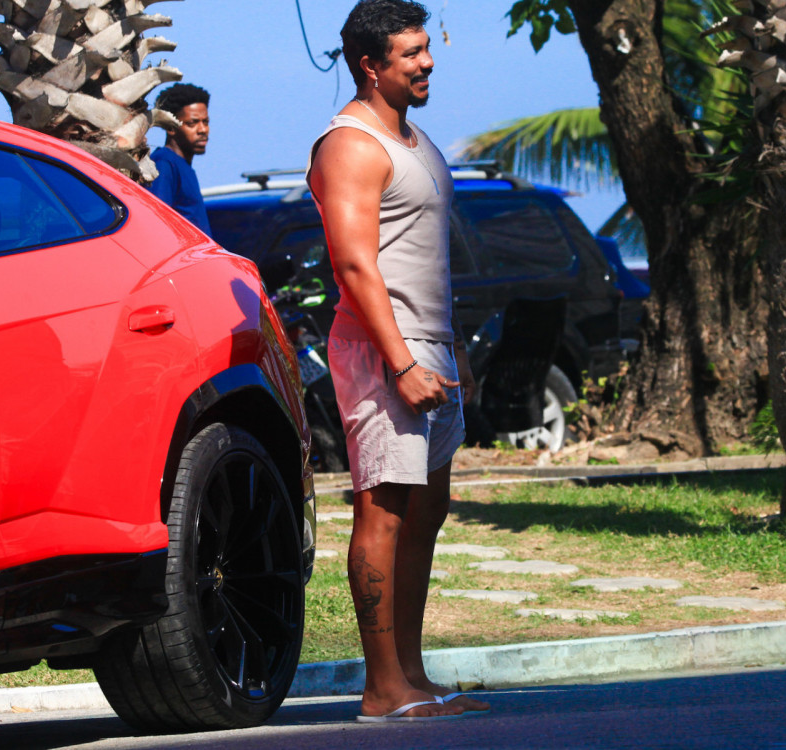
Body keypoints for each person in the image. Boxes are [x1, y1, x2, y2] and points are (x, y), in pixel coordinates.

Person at [306, 0, 490, 723]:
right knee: (381, 513)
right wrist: (401, 360)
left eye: (426, 49)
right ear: (370, 65)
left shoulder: (413, 138)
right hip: (382, 354)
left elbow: (424, 257)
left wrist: (452, 349)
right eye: (410, 53)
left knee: (426, 513)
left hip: (430, 349)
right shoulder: (349, 145)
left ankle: (412, 678)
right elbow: (354, 266)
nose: (427, 62)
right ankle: (381, 689)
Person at [147, 83, 211, 234]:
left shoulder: (182, 166)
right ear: (171, 128)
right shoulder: (164, 164)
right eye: (192, 123)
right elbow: (156, 225)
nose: (202, 130)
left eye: (206, 122)